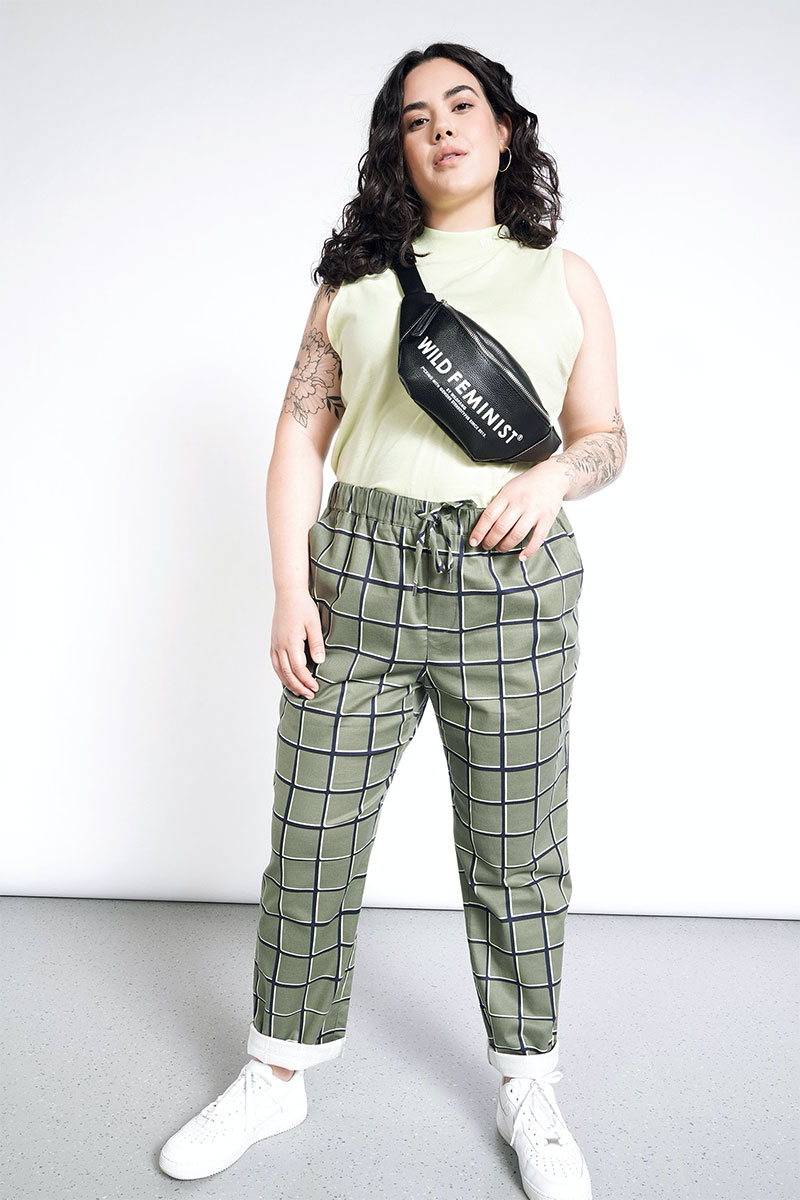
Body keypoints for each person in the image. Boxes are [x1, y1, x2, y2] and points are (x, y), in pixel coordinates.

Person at [159, 41, 625, 1200]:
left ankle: (527, 1084)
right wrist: (288, 587)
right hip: (356, 575)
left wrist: (552, 478)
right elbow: (296, 443)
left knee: (515, 849)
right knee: (311, 836)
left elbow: (606, 435)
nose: (442, 129)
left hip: (508, 580)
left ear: (504, 130)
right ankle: (275, 1071)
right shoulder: (355, 285)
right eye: (415, 118)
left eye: (461, 106)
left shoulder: (565, 277)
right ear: (396, 149)